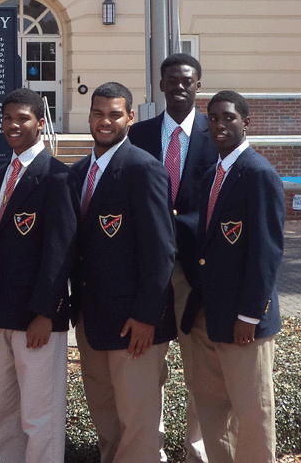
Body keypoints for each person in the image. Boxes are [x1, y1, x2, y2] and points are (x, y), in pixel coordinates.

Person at [71, 82, 176, 463]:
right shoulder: (80, 171)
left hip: (135, 325)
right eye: (98, 113)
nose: (105, 121)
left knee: (139, 423)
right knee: (106, 418)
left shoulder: (144, 169)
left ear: (130, 118)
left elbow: (161, 250)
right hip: (92, 319)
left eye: (114, 113)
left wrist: (147, 316)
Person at [181, 90, 285, 463]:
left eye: (228, 117)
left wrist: (250, 315)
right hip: (208, 317)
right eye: (213, 118)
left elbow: (266, 252)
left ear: (246, 121)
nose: (220, 125)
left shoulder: (259, 174)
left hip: (244, 324)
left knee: (252, 412)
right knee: (211, 409)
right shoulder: (213, 175)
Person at [0, 88, 79, 463]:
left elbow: (61, 252)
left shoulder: (56, 177)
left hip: (36, 320)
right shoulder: (3, 174)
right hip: (1, 315)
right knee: (3, 415)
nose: (13, 125)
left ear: (40, 123)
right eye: (7, 118)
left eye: (22, 118)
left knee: (40, 416)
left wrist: (45, 313)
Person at [128, 53, 216, 463]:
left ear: (198, 84)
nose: (179, 86)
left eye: (187, 80)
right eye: (171, 80)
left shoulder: (215, 134)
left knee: (200, 370)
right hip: (147, 272)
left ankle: (197, 451)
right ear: (160, 84)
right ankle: (150, 451)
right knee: (148, 370)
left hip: (195, 272)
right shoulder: (139, 135)